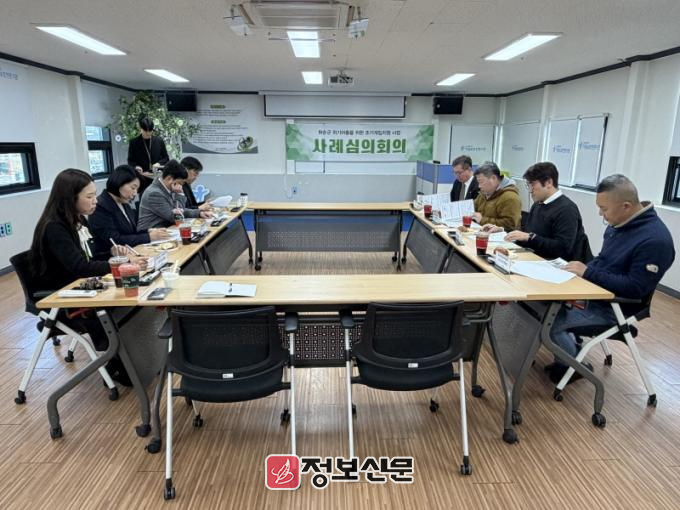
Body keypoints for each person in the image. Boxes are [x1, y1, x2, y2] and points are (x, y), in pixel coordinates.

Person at [547, 174, 675, 383]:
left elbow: (635, 288)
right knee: (541, 307)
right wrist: (577, 271)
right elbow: (604, 260)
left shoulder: (655, 241)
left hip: (615, 310)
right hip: (596, 295)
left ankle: (575, 366)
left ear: (626, 206)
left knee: (549, 322)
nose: (601, 214)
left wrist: (588, 273)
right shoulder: (620, 224)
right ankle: (566, 355)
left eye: (604, 209)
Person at [29, 169, 148, 384]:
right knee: (119, 303)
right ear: (70, 198)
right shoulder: (54, 227)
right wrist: (118, 264)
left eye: (95, 195)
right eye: (89, 196)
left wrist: (113, 254)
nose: (95, 201)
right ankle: (121, 363)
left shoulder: (78, 221)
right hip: (61, 296)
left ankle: (137, 359)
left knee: (132, 297)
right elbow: (80, 267)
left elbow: (87, 258)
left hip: (80, 285)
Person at [504, 162, 592, 262]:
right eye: (528, 185)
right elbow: (528, 235)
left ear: (549, 183)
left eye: (533, 184)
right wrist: (506, 233)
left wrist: (530, 237)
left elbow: (561, 249)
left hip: (556, 264)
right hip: (534, 257)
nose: (530, 190)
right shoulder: (538, 204)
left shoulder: (567, 209)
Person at [89, 165, 169, 256]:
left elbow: (131, 232)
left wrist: (149, 231)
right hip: (113, 258)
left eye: (137, 189)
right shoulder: (101, 206)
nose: (135, 193)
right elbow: (114, 240)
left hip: (132, 253)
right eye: (133, 188)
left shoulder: (124, 202)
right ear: (119, 182)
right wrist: (148, 237)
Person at [137, 160, 212, 231]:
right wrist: (179, 194)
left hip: (167, 229)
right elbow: (176, 217)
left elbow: (180, 211)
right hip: (152, 233)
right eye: (179, 183)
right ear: (169, 178)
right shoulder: (154, 193)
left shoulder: (168, 187)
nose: (180, 186)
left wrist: (199, 213)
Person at [472, 162, 521, 231]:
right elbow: (474, 208)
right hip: (482, 232)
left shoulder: (510, 197)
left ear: (493, 178)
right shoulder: (484, 193)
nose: (479, 186)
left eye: (481, 182)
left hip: (502, 236)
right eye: (478, 182)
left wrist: (482, 220)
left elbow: (510, 224)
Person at [127, 116, 169, 197]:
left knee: (159, 199)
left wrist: (158, 163)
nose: (148, 133)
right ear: (141, 129)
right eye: (145, 131)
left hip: (158, 178)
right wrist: (136, 167)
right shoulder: (134, 142)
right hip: (143, 178)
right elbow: (130, 160)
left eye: (150, 131)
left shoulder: (159, 141)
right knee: (144, 199)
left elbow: (166, 158)